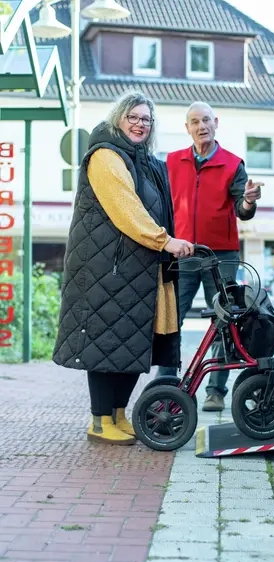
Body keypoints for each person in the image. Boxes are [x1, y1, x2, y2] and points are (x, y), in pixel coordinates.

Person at [53, 91, 194, 445]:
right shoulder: (105, 156)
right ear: (118, 118)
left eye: (146, 119)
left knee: (135, 342)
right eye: (133, 116)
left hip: (139, 267)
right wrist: (165, 241)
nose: (140, 124)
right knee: (106, 342)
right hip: (107, 269)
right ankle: (100, 422)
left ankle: (118, 413)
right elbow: (126, 208)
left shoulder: (145, 161)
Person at [158, 101, 262, 412]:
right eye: (194, 121)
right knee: (171, 318)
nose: (201, 126)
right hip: (183, 252)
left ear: (215, 122)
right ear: (187, 127)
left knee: (224, 320)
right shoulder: (172, 162)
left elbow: (244, 212)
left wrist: (248, 201)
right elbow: (161, 205)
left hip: (222, 256)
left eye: (206, 120)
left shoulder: (233, 164)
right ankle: (166, 384)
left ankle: (216, 390)